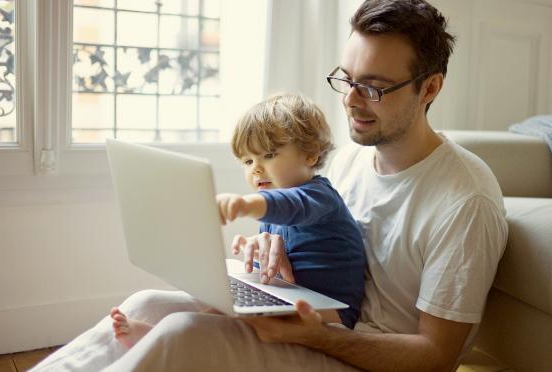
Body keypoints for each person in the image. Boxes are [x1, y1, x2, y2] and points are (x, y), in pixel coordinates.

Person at [31, 1, 508, 371]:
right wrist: (272, 250)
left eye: (376, 87)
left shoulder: (465, 200)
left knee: (181, 334)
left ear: (430, 88)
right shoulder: (353, 161)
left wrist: (317, 337)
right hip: (314, 319)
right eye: (348, 80)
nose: (353, 102)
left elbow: (437, 358)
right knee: (146, 304)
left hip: (358, 356)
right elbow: (317, 239)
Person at [109, 93, 366, 349]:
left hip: (333, 314)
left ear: (310, 155)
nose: (255, 168)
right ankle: (156, 336)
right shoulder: (270, 211)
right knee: (223, 307)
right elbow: (275, 267)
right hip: (295, 297)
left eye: (269, 155)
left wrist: (245, 204)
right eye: (247, 160)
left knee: (224, 322)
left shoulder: (319, 197)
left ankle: (159, 340)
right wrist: (253, 265)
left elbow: (292, 205)